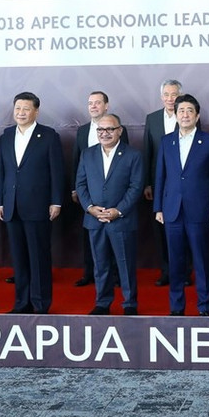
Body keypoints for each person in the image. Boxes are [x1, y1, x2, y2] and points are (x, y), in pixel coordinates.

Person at [0, 92, 64, 314]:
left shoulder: (49, 136)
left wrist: (56, 201)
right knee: (19, 259)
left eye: (26, 109)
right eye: (17, 108)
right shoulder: (6, 136)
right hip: (11, 205)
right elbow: (2, 172)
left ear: (36, 111)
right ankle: (21, 303)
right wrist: (0, 201)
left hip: (38, 205)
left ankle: (40, 303)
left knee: (38, 257)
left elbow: (57, 172)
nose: (21, 113)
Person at [154, 94, 209, 316]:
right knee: (175, 262)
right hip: (171, 210)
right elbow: (160, 177)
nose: (185, 115)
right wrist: (158, 208)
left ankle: (204, 307)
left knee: (201, 261)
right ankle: (176, 308)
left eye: (189, 111)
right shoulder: (166, 141)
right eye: (181, 110)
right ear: (175, 114)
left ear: (197, 115)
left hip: (199, 210)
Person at [75, 114, 144, 315]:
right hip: (94, 219)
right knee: (100, 265)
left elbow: (136, 186)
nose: (104, 133)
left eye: (109, 129)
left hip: (121, 219)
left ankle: (129, 303)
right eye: (100, 130)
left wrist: (118, 210)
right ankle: (102, 303)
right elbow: (80, 184)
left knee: (125, 264)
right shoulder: (87, 154)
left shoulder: (133, 155)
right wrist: (89, 208)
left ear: (119, 131)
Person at [143, 79, 191, 286]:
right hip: (159, 184)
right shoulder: (152, 119)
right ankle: (166, 271)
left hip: (184, 185)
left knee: (185, 230)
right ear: (161, 97)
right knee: (161, 230)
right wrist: (147, 183)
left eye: (174, 94)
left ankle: (184, 272)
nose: (171, 99)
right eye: (167, 95)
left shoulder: (189, 115)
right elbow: (148, 152)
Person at [71, 91, 115, 288]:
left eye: (98, 103)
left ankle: (114, 276)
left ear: (106, 105)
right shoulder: (82, 131)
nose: (94, 106)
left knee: (112, 234)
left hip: (112, 193)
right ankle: (89, 273)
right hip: (87, 192)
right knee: (89, 233)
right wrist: (75, 189)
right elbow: (76, 160)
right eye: (90, 103)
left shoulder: (116, 128)